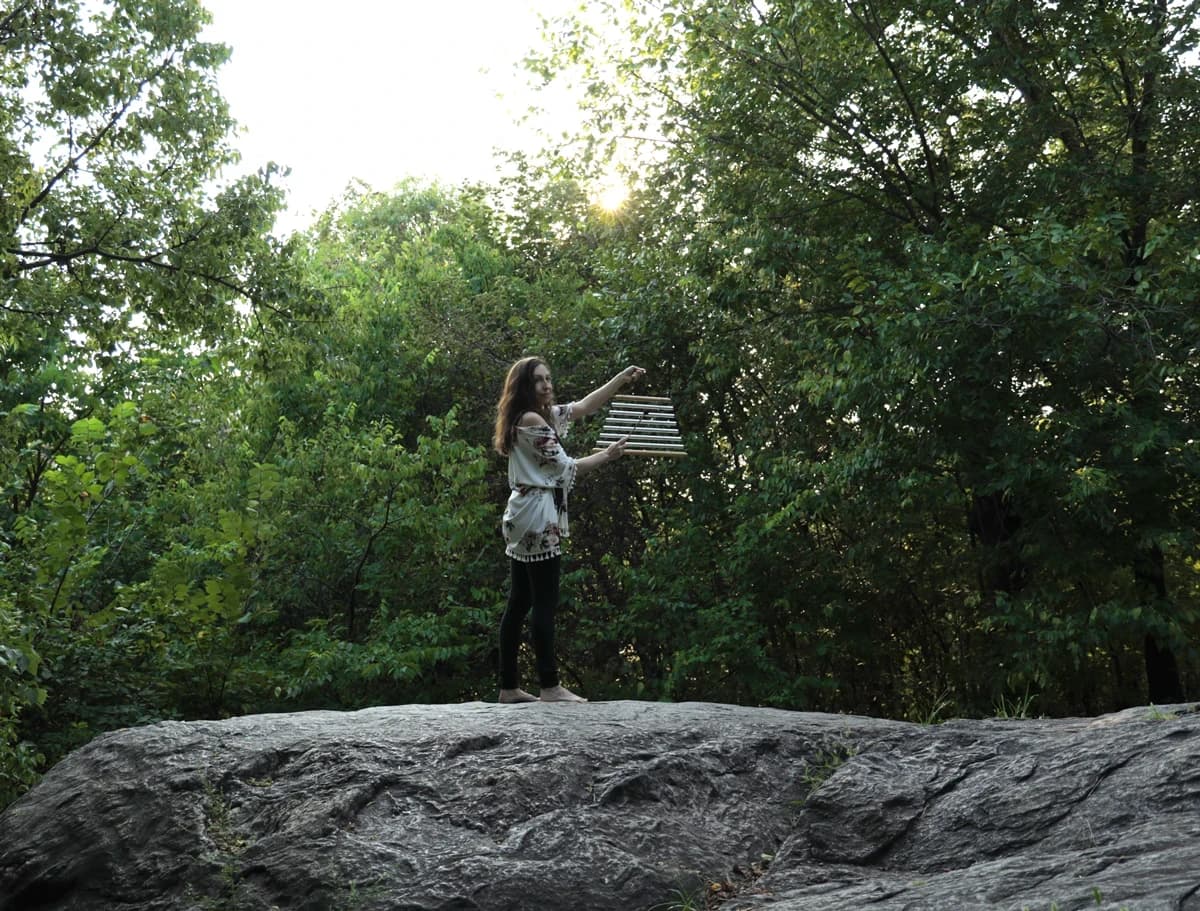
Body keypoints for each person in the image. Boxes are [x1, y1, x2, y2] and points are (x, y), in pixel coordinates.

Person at [492, 356, 645, 704]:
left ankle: (508, 687)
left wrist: (620, 378)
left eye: (548, 379)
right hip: (537, 516)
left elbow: (585, 406)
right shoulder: (532, 420)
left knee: (519, 601)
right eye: (539, 381)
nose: (547, 385)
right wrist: (607, 455)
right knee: (543, 602)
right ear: (524, 387)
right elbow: (566, 468)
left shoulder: (535, 415)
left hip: (523, 513)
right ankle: (550, 686)